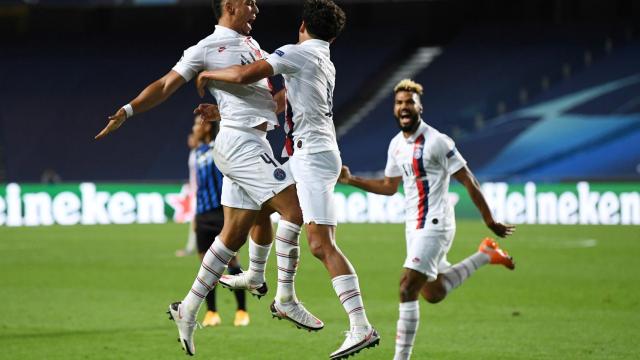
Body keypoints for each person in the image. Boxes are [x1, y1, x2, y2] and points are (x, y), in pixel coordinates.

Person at [95, 0, 321, 356]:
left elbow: (268, 103)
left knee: (232, 235)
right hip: (240, 143)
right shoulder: (204, 49)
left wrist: (298, 87)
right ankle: (285, 297)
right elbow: (166, 84)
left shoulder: (254, 47)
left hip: (252, 138)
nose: (257, 9)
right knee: (293, 209)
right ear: (230, 5)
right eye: (250, 3)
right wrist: (128, 110)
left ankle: (187, 308)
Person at [195, 1, 379, 359]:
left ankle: (359, 325)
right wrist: (223, 111)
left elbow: (247, 74)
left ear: (302, 25)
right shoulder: (320, 58)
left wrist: (209, 76)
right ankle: (267, 284)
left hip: (312, 156)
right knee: (263, 197)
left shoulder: (296, 53)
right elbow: (282, 100)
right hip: (306, 154)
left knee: (321, 244)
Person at [337, 79, 516, 360]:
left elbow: (468, 180)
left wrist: (489, 219)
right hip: (414, 226)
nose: (404, 107)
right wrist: (351, 180)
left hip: (437, 222)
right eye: (399, 103)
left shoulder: (437, 141)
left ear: (420, 106)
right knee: (432, 293)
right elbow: (389, 186)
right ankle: (485, 255)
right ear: (394, 109)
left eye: (409, 102)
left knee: (406, 286)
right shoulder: (396, 144)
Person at [190, 115, 249, 327]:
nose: (194, 128)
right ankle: (211, 312)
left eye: (197, 124)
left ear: (206, 126)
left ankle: (242, 311)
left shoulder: (220, 147)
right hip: (202, 215)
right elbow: (196, 187)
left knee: (232, 262)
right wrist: (194, 219)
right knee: (206, 265)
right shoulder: (196, 153)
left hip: (221, 214)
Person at [175, 133, 198, 258]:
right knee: (196, 220)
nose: (189, 140)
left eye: (192, 138)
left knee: (197, 220)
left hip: (202, 193)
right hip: (196, 192)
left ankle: (190, 248)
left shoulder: (201, 153)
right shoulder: (194, 153)